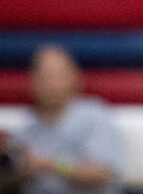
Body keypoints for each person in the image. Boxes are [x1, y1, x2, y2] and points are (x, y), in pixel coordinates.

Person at [17, 44, 122, 194]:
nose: (51, 84)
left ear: (75, 77)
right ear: (33, 81)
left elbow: (101, 173)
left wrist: (50, 165)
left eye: (58, 75)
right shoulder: (27, 128)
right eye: (44, 76)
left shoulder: (93, 115)